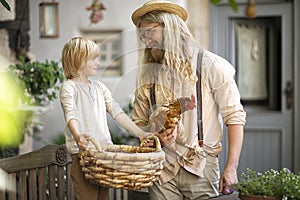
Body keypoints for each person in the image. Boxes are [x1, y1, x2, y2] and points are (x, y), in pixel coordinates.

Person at [131, 0, 246, 199]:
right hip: (162, 170)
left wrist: (231, 167)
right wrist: (152, 138)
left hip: (201, 166)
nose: (146, 40)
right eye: (142, 35)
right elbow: (138, 123)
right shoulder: (148, 74)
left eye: (150, 32)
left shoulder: (210, 65)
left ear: (170, 28)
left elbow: (234, 117)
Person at [59, 37, 152, 200]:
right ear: (78, 60)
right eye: (93, 58)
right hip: (83, 155)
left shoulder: (100, 87)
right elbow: (70, 113)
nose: (98, 62)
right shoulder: (69, 87)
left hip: (104, 155)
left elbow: (117, 113)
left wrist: (140, 133)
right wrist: (78, 136)